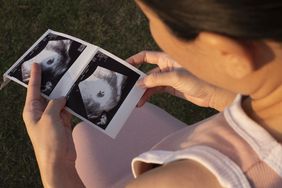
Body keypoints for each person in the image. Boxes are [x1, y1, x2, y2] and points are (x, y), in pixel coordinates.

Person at [22, 0, 282, 187]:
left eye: (152, 21)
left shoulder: (184, 181)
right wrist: (224, 98)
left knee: (86, 136)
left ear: (230, 55)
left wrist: (56, 165)